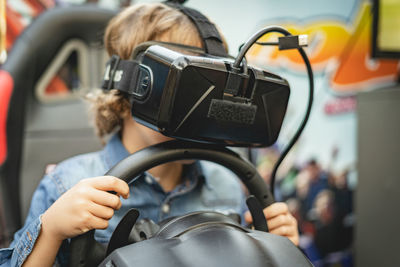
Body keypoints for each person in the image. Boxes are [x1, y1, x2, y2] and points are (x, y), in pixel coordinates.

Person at [0, 3, 299, 267]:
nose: (196, 109)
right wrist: (51, 229)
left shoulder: (226, 187)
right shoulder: (68, 184)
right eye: (186, 85)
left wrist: (275, 247)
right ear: (134, 84)